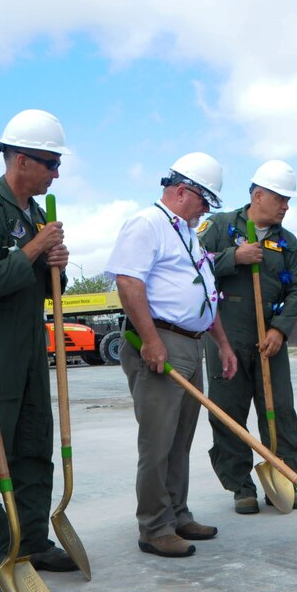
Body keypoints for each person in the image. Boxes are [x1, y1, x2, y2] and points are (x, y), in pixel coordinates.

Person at [0, 109, 77, 592]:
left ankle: (32, 540)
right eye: (50, 164)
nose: (55, 174)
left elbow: (50, 290)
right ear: (21, 160)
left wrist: (58, 264)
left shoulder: (36, 216)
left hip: (31, 351)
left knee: (33, 446)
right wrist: (32, 250)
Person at [106, 153, 238, 557]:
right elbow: (129, 282)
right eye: (205, 200)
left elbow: (203, 292)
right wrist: (150, 340)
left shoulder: (187, 233)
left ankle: (177, 513)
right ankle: (154, 526)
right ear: (182, 191)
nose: (206, 209)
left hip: (191, 342)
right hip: (162, 341)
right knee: (158, 442)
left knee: (180, 440)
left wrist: (222, 343)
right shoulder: (147, 224)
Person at [198, 160, 297, 514]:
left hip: (270, 337)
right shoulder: (218, 226)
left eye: (288, 200)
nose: (286, 206)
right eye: (280, 198)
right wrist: (233, 257)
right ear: (258, 195)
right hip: (226, 334)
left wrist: (280, 329)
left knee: (279, 408)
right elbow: (192, 267)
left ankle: (285, 476)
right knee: (229, 412)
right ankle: (241, 486)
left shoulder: (286, 241)